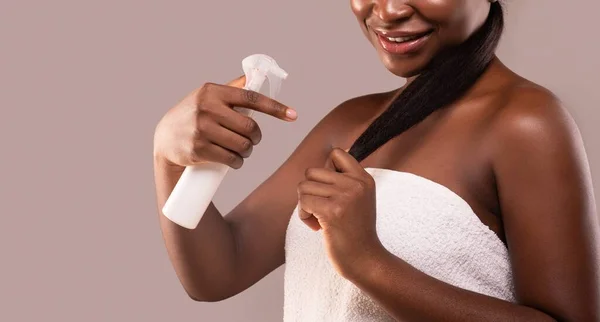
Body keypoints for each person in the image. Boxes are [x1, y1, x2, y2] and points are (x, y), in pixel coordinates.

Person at [153, 0, 599, 321]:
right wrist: (169, 155)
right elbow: (218, 272)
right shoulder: (350, 123)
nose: (387, 11)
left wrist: (368, 262)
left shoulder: (525, 124)